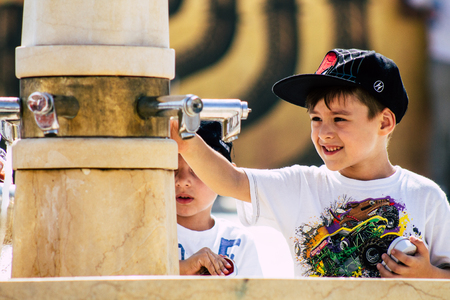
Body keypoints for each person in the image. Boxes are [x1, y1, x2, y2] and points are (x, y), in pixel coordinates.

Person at [171, 48, 450, 278]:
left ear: (384, 122)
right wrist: (184, 139)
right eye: (316, 119)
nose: (324, 132)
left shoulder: (426, 197)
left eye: (339, 119)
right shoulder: (300, 185)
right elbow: (230, 180)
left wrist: (429, 274)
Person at [176, 121, 263, 277]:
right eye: (173, 168)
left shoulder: (239, 243)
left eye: (197, 170)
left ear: (228, 175)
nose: (182, 181)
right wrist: (182, 269)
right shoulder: (144, 231)